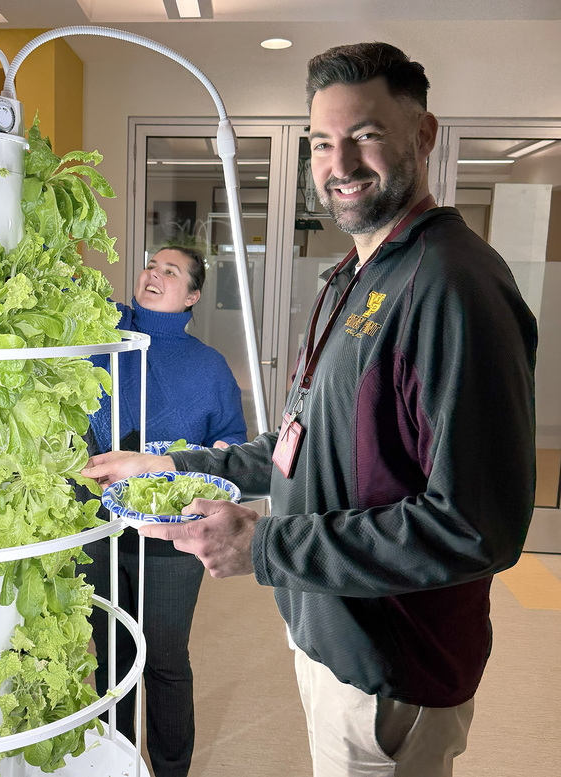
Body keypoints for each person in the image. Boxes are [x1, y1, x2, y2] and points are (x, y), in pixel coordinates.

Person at [82, 43, 537, 777]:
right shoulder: (350, 278)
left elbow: (474, 527)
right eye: (323, 142)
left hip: (392, 661)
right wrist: (168, 461)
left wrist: (263, 544)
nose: (341, 162)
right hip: (331, 629)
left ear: (422, 136)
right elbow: (297, 442)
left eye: (366, 134)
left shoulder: (452, 287)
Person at [82, 245, 247, 777]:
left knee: (166, 661)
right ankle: (120, 764)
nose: (154, 273)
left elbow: (231, 441)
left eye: (171, 272)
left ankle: (172, 771)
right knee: (111, 659)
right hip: (99, 527)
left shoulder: (209, 367)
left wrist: (208, 462)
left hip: (172, 534)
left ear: (193, 295)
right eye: (151, 264)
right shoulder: (101, 339)